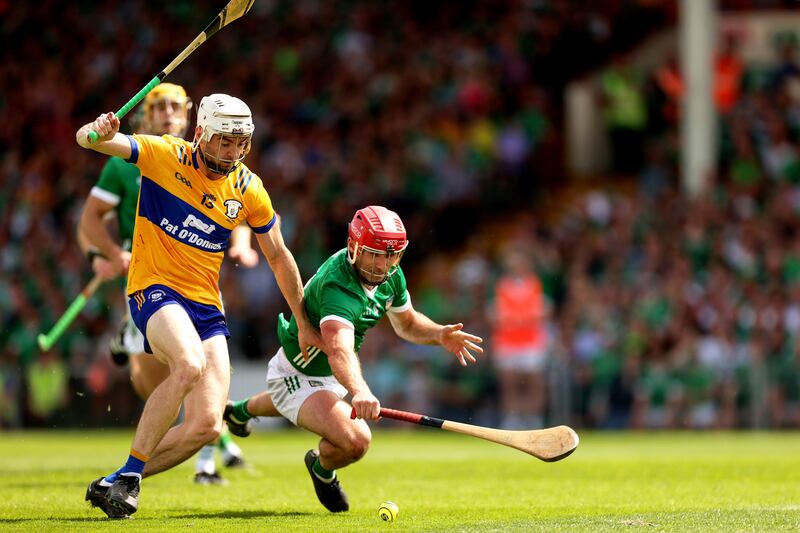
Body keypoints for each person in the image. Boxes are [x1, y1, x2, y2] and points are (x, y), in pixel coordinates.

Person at [76, 93, 322, 518]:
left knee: (208, 426)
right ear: (201, 133)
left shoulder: (248, 188)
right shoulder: (163, 153)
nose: (232, 151)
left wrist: (301, 319)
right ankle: (132, 477)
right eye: (224, 141)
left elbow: (279, 256)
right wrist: (96, 132)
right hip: (153, 289)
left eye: (240, 142)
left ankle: (117, 479)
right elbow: (91, 141)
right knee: (188, 365)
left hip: (205, 304)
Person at [224, 205, 483, 513]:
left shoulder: (391, 275)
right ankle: (322, 469)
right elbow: (339, 350)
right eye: (373, 254)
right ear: (353, 247)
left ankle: (239, 412)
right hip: (300, 372)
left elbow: (408, 323)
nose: (381, 264)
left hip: (325, 374)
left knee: (300, 400)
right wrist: (360, 390)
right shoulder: (338, 285)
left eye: (390, 255)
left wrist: (440, 334)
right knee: (357, 441)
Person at [77, 84, 251, 486]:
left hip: (200, 283)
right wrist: (102, 255)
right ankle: (157, 453)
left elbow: (240, 211)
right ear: (146, 114)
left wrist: (242, 243)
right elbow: (89, 218)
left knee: (198, 388)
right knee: (164, 377)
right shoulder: (136, 157)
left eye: (177, 106)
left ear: (191, 114)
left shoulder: (218, 165)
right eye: (160, 107)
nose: (169, 114)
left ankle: (202, 458)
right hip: (147, 274)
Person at [490, 248, 549, 429]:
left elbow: (540, 310)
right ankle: (512, 418)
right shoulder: (503, 285)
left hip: (530, 341)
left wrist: (520, 319)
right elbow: (498, 313)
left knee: (534, 381)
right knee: (509, 382)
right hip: (508, 341)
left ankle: (533, 418)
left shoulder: (534, 284)